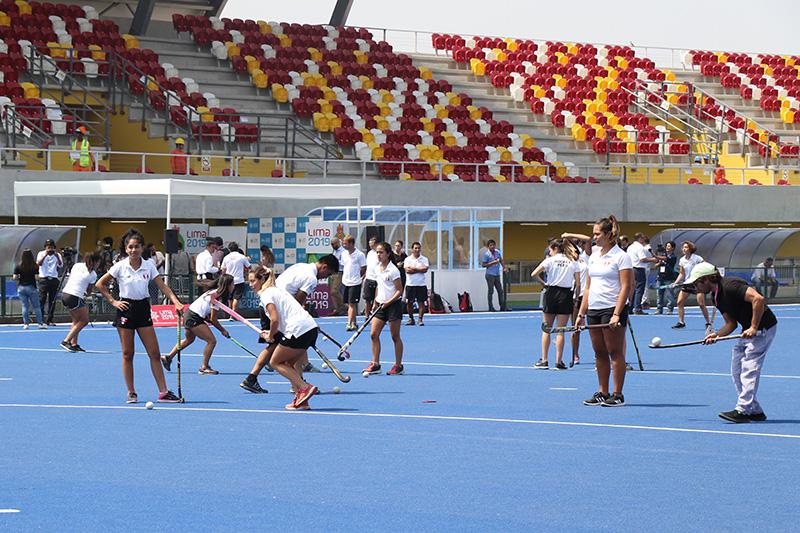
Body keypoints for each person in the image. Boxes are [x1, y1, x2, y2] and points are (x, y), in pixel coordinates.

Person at [96, 228, 184, 404]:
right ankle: (131, 392)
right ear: (126, 248)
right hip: (126, 310)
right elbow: (100, 284)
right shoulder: (120, 266)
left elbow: (162, 286)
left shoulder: (149, 265)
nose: (133, 250)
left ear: (142, 248)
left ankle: (163, 392)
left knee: (154, 352)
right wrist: (113, 302)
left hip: (143, 309)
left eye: (136, 246)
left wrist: (175, 301)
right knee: (128, 354)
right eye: (130, 247)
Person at [690, 263, 778, 423]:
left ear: (707, 279)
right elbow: (731, 324)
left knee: (749, 367)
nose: (695, 286)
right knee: (736, 370)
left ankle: (743, 410)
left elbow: (758, 299)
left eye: (696, 282)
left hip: (763, 328)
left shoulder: (730, 286)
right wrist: (716, 335)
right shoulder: (715, 297)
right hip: (747, 330)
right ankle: (755, 411)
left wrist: (753, 326)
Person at [240, 265, 322, 410]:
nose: (251, 285)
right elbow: (280, 321)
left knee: (275, 362)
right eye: (250, 282)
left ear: (262, 279)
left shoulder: (266, 295)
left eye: (253, 281)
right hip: (309, 328)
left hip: (298, 330)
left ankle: (304, 388)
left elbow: (275, 319)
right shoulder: (277, 291)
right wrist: (270, 333)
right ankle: (302, 401)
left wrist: (270, 336)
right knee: (288, 364)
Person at [576, 215, 633, 407]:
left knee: (614, 351)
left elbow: (626, 286)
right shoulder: (593, 256)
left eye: (597, 234)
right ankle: (603, 391)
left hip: (612, 308)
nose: (594, 237)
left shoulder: (621, 256)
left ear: (609, 234)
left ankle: (617, 394)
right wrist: (581, 313)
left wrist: (617, 313)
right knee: (599, 352)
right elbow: (588, 288)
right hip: (594, 308)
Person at [276, 254, 339, 374]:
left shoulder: (302, 266)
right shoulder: (311, 278)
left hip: (275, 301)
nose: (326, 277)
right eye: (328, 274)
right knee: (300, 334)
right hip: (281, 305)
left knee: (300, 336)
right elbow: (297, 302)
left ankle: (303, 366)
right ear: (324, 267)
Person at [162, 274, 234, 375]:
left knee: (189, 339)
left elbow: (208, 314)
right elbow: (213, 319)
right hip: (193, 317)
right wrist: (223, 330)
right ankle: (204, 367)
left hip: (189, 315)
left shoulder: (213, 292)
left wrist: (207, 318)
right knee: (212, 341)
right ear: (227, 285)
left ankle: (168, 357)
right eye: (232, 284)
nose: (233, 286)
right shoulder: (217, 297)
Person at [531, 238, 580, 370]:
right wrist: (576, 298)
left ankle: (544, 359)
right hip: (566, 294)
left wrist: (544, 283)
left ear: (556, 248)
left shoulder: (549, 260)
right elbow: (578, 283)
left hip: (551, 292)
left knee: (546, 328)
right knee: (561, 329)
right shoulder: (572, 261)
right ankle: (559, 361)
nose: (550, 252)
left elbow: (534, 274)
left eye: (551, 250)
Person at [363, 242, 405, 376]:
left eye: (381, 252)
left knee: (395, 336)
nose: (379, 255)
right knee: (373, 334)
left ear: (388, 254)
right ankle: (375, 364)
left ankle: (398, 366)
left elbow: (399, 290)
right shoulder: (377, 268)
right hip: (380, 305)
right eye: (377, 252)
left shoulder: (393, 270)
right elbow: (379, 287)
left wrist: (388, 302)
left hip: (393, 305)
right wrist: (376, 301)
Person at [59, 251, 101, 352]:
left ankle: (74, 344)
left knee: (76, 321)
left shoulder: (77, 265)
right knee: (84, 321)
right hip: (75, 296)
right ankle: (66, 341)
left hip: (65, 294)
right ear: (95, 262)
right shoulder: (93, 274)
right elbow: (88, 290)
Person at [671, 241, 712, 330]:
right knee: (679, 302)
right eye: (683, 247)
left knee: (701, 304)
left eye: (685, 247)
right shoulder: (682, 260)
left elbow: (706, 267)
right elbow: (682, 273)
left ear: (690, 248)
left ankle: (708, 323)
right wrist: (676, 282)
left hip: (698, 284)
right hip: (687, 283)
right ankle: (681, 322)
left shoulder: (697, 258)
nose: (683, 249)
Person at [626, 233, 659, 315]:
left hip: (630, 268)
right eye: (643, 238)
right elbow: (642, 259)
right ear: (640, 238)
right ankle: (637, 308)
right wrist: (653, 260)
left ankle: (630, 308)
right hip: (639, 269)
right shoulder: (640, 247)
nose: (644, 239)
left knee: (632, 289)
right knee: (639, 289)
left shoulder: (630, 247)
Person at [13, 249, 46, 329]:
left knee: (25, 306)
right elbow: (37, 278)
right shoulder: (34, 266)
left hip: (21, 287)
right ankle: (40, 323)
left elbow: (14, 277)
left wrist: (20, 277)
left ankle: (26, 324)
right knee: (36, 307)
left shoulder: (19, 265)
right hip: (31, 287)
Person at [341, 235, 367, 331]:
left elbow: (363, 268)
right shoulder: (344, 254)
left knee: (351, 304)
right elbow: (345, 266)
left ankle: (349, 323)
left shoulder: (360, 255)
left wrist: (358, 277)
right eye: (343, 243)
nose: (343, 245)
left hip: (355, 283)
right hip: (345, 282)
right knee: (349, 304)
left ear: (351, 244)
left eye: (345, 243)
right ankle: (355, 323)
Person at [37, 239, 63, 326]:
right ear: (45, 247)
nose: (50, 249)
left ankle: (50, 319)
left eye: (51, 247)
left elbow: (60, 265)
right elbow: (39, 264)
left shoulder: (57, 255)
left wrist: (56, 256)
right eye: (48, 247)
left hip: (54, 279)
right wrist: (45, 255)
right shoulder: (41, 253)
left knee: (52, 300)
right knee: (42, 299)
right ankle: (41, 320)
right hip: (43, 279)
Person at [403, 242, 430, 326]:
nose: (417, 250)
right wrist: (419, 269)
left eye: (418, 248)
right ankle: (411, 319)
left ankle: (420, 319)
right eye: (415, 248)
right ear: (412, 249)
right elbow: (407, 271)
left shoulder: (424, 259)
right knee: (409, 303)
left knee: (421, 302)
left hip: (421, 284)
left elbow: (425, 270)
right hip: (410, 284)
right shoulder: (407, 259)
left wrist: (413, 269)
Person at [220, 242, 251, 314]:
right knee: (236, 297)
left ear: (229, 249)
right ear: (237, 248)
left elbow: (223, 269)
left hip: (229, 280)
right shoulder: (242, 257)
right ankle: (233, 313)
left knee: (230, 297)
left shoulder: (226, 257)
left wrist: (222, 279)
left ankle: (231, 312)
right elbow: (249, 266)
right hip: (239, 279)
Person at [481, 239, 507, 312]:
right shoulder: (486, 254)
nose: (492, 246)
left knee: (500, 291)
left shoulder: (497, 252)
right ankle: (490, 307)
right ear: (488, 246)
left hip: (497, 274)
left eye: (493, 245)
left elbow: (501, 260)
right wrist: (493, 262)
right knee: (491, 291)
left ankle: (502, 306)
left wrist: (504, 267)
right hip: (490, 275)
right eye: (490, 245)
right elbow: (483, 265)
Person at [655, 241, 678, 314]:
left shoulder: (673, 256)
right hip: (660, 276)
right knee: (659, 294)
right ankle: (659, 309)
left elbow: (663, 258)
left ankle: (670, 309)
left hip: (669, 277)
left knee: (670, 294)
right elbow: (657, 262)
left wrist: (653, 254)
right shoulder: (663, 254)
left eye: (669, 246)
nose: (667, 248)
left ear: (673, 248)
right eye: (666, 246)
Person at [363, 236, 379, 317]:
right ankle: (366, 316)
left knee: (378, 300)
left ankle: (378, 316)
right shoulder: (369, 253)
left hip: (377, 280)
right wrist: (364, 277)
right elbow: (368, 266)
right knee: (367, 300)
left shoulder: (379, 253)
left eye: (371, 243)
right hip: (369, 278)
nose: (369, 244)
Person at [329, 237, 345, 315]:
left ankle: (344, 306)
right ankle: (337, 308)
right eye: (331, 244)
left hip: (340, 272)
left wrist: (335, 261)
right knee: (332, 292)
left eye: (333, 244)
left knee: (334, 291)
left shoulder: (343, 251)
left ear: (338, 243)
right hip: (334, 272)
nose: (332, 245)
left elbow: (344, 263)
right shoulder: (334, 251)